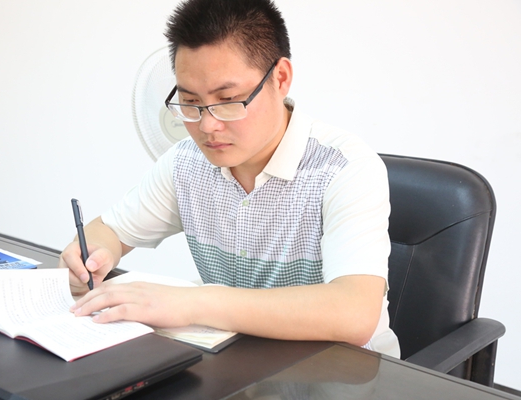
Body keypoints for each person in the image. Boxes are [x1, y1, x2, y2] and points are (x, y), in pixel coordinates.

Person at [60, 0, 400, 357]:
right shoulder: (186, 162)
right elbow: (109, 231)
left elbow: (354, 313)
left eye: (228, 100)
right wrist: (91, 258)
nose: (208, 126)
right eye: (191, 102)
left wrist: (192, 302)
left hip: (345, 372)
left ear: (281, 78)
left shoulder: (344, 168)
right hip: (240, 364)